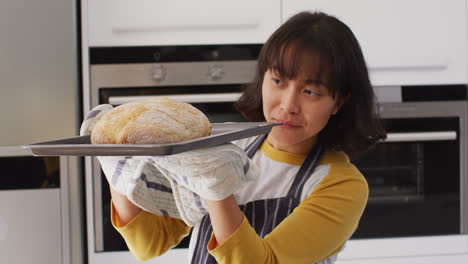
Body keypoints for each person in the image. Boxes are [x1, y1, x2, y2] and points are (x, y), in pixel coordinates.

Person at [108, 11, 386, 263]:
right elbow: (149, 242)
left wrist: (215, 184)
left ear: (338, 102)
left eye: (310, 91)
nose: (288, 105)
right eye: (278, 81)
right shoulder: (227, 149)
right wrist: (114, 155)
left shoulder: (340, 185)